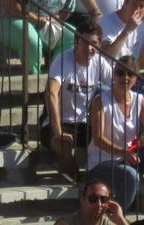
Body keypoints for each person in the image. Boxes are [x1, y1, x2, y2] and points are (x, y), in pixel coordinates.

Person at [85, 56, 144, 212]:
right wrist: (122, 153)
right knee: (131, 175)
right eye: (121, 73)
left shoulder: (140, 100)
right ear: (114, 75)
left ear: (136, 78)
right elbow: (98, 139)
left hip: (128, 158)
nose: (125, 78)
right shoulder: (100, 101)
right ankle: (115, 217)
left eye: (130, 74)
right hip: (102, 162)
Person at [44, 22, 113, 179]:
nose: (89, 48)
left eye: (94, 43)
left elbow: (115, 88)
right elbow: (50, 93)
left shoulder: (100, 62)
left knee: (107, 137)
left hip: (83, 123)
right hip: (58, 122)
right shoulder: (62, 60)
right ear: (76, 41)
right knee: (62, 143)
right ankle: (73, 183)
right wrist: (58, 131)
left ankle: (99, 180)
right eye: (85, 42)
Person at [101, 0, 144, 74]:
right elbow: (106, 56)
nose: (136, 9)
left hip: (130, 78)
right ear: (125, 3)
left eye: (141, 6)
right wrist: (127, 30)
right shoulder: (106, 22)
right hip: (109, 77)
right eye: (133, 4)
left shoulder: (142, 26)